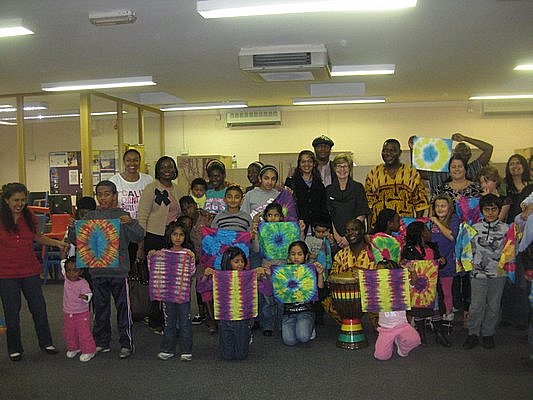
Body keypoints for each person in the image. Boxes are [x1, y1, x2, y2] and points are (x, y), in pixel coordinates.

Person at [70, 180, 144, 359]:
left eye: (107, 194)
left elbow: (139, 235)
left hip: (119, 272)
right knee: (100, 309)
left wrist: (130, 223)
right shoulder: (90, 217)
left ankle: (126, 343)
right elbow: (76, 240)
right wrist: (72, 228)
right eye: (99, 194)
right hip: (97, 272)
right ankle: (102, 342)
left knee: (123, 309)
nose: (103, 198)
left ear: (115, 196)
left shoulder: (122, 216)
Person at [0, 182, 67, 361]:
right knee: (12, 312)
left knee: (39, 309)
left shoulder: (29, 216)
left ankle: (46, 343)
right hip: (6, 274)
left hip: (29, 270)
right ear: (6, 200)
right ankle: (15, 348)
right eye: (16, 200)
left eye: (23, 200)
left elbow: (38, 237)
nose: (20, 204)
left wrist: (58, 243)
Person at [137, 156, 182, 333]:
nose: (167, 170)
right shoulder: (151, 189)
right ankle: (156, 319)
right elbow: (142, 218)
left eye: (170, 166)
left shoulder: (178, 188)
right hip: (154, 238)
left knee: (173, 280)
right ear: (157, 169)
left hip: (174, 239)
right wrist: (141, 246)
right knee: (157, 281)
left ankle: (172, 317)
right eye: (163, 167)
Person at [464, 194, 509, 350]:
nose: (490, 212)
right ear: (481, 210)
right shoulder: (474, 228)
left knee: (494, 305)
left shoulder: (506, 229)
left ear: (499, 210)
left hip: (498, 273)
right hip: (478, 273)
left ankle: (488, 333)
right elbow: (467, 250)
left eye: (494, 209)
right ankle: (473, 333)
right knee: (476, 305)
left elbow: (511, 251)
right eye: (487, 209)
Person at [151, 221, 195, 361]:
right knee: (169, 322)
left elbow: (191, 272)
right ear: (169, 236)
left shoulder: (187, 253)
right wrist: (151, 256)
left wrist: (192, 259)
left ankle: (186, 350)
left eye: (181, 235)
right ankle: (168, 349)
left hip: (183, 295)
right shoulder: (163, 253)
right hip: (167, 295)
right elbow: (154, 270)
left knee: (184, 323)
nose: (178, 238)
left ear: (185, 237)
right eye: (175, 234)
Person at [402, 221, 451, 347]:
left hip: (432, 286)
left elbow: (438, 264)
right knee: (419, 309)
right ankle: (421, 334)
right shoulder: (409, 249)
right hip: (417, 287)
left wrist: (442, 261)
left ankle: (439, 333)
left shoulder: (432, 247)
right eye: (426, 230)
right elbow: (405, 266)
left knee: (436, 307)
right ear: (421, 234)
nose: (429, 232)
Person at [365, 138, 429, 228]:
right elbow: (369, 205)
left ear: (399, 153)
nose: (387, 154)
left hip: (405, 226)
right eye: (384, 150)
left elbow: (420, 204)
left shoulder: (411, 174)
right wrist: (369, 230)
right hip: (380, 227)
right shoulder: (373, 174)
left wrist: (416, 227)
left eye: (392, 151)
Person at [205, 247, 254, 360]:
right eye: (236, 261)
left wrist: (264, 276)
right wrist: (206, 276)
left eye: (242, 261)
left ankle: (247, 335)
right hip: (225, 318)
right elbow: (202, 288)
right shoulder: (219, 277)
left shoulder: (248, 277)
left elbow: (267, 290)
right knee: (227, 356)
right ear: (227, 262)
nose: (240, 264)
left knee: (241, 355)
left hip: (242, 318)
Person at [322, 219, 376, 322]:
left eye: (354, 229)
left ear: (362, 231)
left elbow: (384, 277)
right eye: (347, 231)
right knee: (328, 304)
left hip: (371, 298)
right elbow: (332, 279)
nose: (350, 233)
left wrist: (364, 276)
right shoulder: (340, 255)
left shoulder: (374, 253)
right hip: (347, 298)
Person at [109, 149, 153, 271]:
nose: (132, 163)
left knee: (142, 268)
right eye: (128, 160)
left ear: (140, 161)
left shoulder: (148, 180)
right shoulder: (115, 181)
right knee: (123, 268)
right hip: (122, 231)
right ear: (124, 162)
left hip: (143, 228)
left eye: (135, 160)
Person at [409, 133, 494, 196]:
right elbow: (417, 172)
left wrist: (465, 138)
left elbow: (489, 148)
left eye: (466, 151)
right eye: (460, 151)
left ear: (470, 156)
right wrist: (413, 148)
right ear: (453, 154)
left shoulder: (473, 169)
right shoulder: (439, 173)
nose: (462, 153)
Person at [373, 259, 421, 361]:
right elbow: (366, 286)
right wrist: (361, 278)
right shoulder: (377, 287)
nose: (380, 274)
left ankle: (401, 348)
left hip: (401, 324)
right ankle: (391, 341)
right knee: (381, 356)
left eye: (383, 272)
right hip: (386, 328)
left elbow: (413, 281)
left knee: (415, 340)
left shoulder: (401, 285)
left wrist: (412, 271)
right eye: (378, 272)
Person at [280, 241, 324, 346]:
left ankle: (310, 327)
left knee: (303, 337)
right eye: (293, 254)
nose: (296, 257)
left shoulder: (310, 270)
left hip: (306, 310)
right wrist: (269, 276)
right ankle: (300, 327)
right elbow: (276, 290)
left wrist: (320, 274)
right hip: (289, 313)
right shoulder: (283, 271)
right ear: (289, 256)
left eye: (299, 254)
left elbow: (320, 291)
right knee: (289, 341)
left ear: (306, 256)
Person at [179, 195, 214, 329]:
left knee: (212, 288)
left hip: (210, 258)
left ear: (195, 205)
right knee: (201, 288)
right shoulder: (183, 222)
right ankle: (206, 315)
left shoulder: (206, 218)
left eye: (189, 207)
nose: (188, 211)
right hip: (196, 260)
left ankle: (213, 317)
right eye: (184, 209)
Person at [326, 153, 370, 249]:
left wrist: (349, 236)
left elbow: (362, 213)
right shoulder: (329, 190)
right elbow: (330, 215)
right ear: (334, 168)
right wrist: (337, 237)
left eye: (345, 166)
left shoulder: (358, 187)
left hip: (356, 236)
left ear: (350, 168)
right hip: (337, 239)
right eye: (339, 166)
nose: (342, 169)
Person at [429, 195, 460, 325]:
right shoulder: (430, 221)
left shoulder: (454, 219)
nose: (439, 209)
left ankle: (448, 315)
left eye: (443, 206)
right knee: (431, 291)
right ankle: (432, 315)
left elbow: (451, 236)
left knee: (446, 290)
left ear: (449, 207)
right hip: (432, 262)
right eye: (437, 206)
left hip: (447, 260)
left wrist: (437, 222)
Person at [284, 150, 329, 235]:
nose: (306, 164)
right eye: (303, 162)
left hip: (317, 231)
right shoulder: (291, 183)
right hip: (297, 229)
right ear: (299, 164)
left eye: (309, 161)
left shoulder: (319, 185)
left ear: (314, 164)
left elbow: (324, 209)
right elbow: (287, 208)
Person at [62, 256, 96, 362]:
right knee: (69, 332)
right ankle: (74, 347)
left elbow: (89, 294)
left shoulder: (83, 283)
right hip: (68, 313)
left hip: (82, 313)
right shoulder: (66, 279)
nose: (71, 274)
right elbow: (62, 263)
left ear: (81, 271)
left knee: (83, 333)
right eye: (68, 271)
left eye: (75, 271)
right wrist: (63, 255)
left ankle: (89, 350)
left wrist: (85, 297)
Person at [502, 154, 533, 224]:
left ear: (524, 166)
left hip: (528, 221)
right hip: (509, 224)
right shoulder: (503, 185)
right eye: (511, 164)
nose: (515, 166)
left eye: (518, 163)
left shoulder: (531, 185)